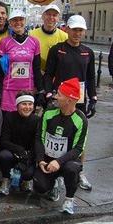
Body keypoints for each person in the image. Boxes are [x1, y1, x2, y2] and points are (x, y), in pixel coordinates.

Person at [42, 14, 96, 191]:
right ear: (67, 30)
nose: (77, 34)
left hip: (78, 100)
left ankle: (79, 171)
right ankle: (55, 171)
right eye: (74, 30)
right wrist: (49, 92)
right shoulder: (57, 49)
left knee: (81, 137)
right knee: (56, 134)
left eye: (80, 30)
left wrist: (93, 98)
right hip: (60, 98)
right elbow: (49, 74)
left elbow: (90, 77)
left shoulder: (88, 52)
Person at [33, 78, 88, 215]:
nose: (55, 97)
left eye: (59, 94)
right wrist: (40, 160)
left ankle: (69, 199)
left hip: (66, 161)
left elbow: (78, 148)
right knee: (39, 187)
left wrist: (59, 162)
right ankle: (53, 183)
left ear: (69, 100)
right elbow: (39, 137)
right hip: (47, 159)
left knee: (71, 169)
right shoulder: (49, 112)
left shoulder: (80, 120)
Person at [0, 10, 42, 112]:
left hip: (27, 89)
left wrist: (40, 89)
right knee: (9, 122)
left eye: (21, 19)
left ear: (25, 21)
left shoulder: (34, 42)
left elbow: (36, 68)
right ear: (10, 23)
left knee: (26, 122)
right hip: (9, 89)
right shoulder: (4, 42)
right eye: (14, 20)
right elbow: (0, 70)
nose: (18, 23)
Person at [0, 91, 38, 195]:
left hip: (28, 155)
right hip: (12, 152)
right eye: (24, 104)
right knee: (3, 155)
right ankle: (5, 180)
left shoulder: (37, 120)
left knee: (28, 173)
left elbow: (37, 143)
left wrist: (28, 156)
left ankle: (26, 180)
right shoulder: (9, 117)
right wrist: (19, 150)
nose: (27, 107)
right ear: (17, 105)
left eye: (30, 104)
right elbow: (3, 141)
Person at [29, 4, 68, 72]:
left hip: (56, 75)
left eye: (54, 15)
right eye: (48, 14)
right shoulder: (32, 34)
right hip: (37, 74)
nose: (51, 17)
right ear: (43, 16)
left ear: (58, 18)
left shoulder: (65, 36)